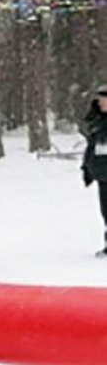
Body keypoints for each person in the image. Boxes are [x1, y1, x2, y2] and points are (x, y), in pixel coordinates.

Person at [81, 84, 107, 257]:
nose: (102, 103)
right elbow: (91, 146)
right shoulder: (96, 120)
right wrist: (87, 167)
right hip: (102, 172)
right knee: (106, 211)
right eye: (100, 100)